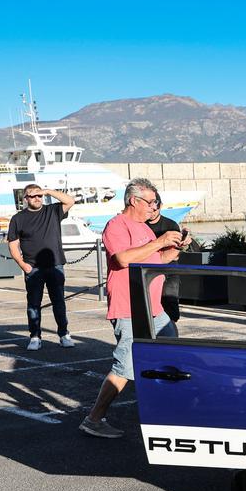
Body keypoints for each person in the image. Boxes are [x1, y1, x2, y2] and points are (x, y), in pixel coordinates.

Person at [80, 178, 190, 439]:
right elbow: (123, 259)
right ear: (134, 200)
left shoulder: (144, 229)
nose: (154, 207)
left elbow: (157, 261)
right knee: (125, 367)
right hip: (129, 307)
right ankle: (94, 418)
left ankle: (165, 410)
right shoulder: (116, 225)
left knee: (171, 352)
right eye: (150, 202)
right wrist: (160, 241)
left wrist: (174, 249)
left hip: (153, 307)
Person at [6, 184, 76, 350]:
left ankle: (64, 334)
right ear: (25, 198)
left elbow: (70, 201)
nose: (36, 198)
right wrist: (23, 265)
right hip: (33, 268)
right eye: (32, 196)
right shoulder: (18, 218)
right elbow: (13, 245)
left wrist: (48, 191)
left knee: (59, 301)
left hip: (55, 264)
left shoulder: (52, 211)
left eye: (39, 195)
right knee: (33, 304)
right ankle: (35, 336)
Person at [146, 193, 186, 325]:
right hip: (149, 270)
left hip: (169, 271)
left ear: (160, 206)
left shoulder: (170, 225)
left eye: (155, 208)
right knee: (148, 306)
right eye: (149, 207)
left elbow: (175, 254)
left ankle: (171, 336)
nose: (151, 211)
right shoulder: (141, 225)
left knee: (170, 305)